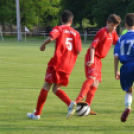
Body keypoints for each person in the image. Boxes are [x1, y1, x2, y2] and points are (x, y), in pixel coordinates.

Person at [27, 10, 82, 120]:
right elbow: (79, 50)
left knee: (46, 86)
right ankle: (70, 104)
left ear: (61, 20)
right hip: (69, 65)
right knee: (55, 88)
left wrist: (43, 45)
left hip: (57, 63)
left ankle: (37, 114)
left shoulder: (59, 28)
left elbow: (51, 37)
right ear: (71, 21)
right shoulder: (76, 33)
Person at [67, 14, 121, 118]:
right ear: (107, 23)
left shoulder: (113, 33)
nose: (114, 28)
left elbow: (118, 43)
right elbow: (92, 47)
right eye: (112, 25)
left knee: (95, 84)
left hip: (99, 59)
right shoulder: (102, 32)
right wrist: (92, 59)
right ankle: (77, 102)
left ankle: (87, 107)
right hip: (93, 57)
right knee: (92, 78)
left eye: (116, 26)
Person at [114, 13, 134, 122]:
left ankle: (128, 107)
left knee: (129, 90)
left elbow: (116, 56)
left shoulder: (120, 39)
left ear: (125, 24)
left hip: (125, 67)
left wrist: (116, 70)